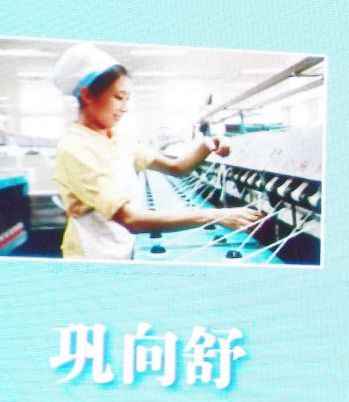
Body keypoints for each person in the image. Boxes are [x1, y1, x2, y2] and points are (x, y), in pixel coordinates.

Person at [49, 43, 262, 260]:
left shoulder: (118, 138)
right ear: (87, 95)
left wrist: (208, 145)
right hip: (94, 258)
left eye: (127, 99)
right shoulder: (75, 148)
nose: (125, 108)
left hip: (124, 246)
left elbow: (176, 168)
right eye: (118, 97)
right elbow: (131, 219)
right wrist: (216, 215)